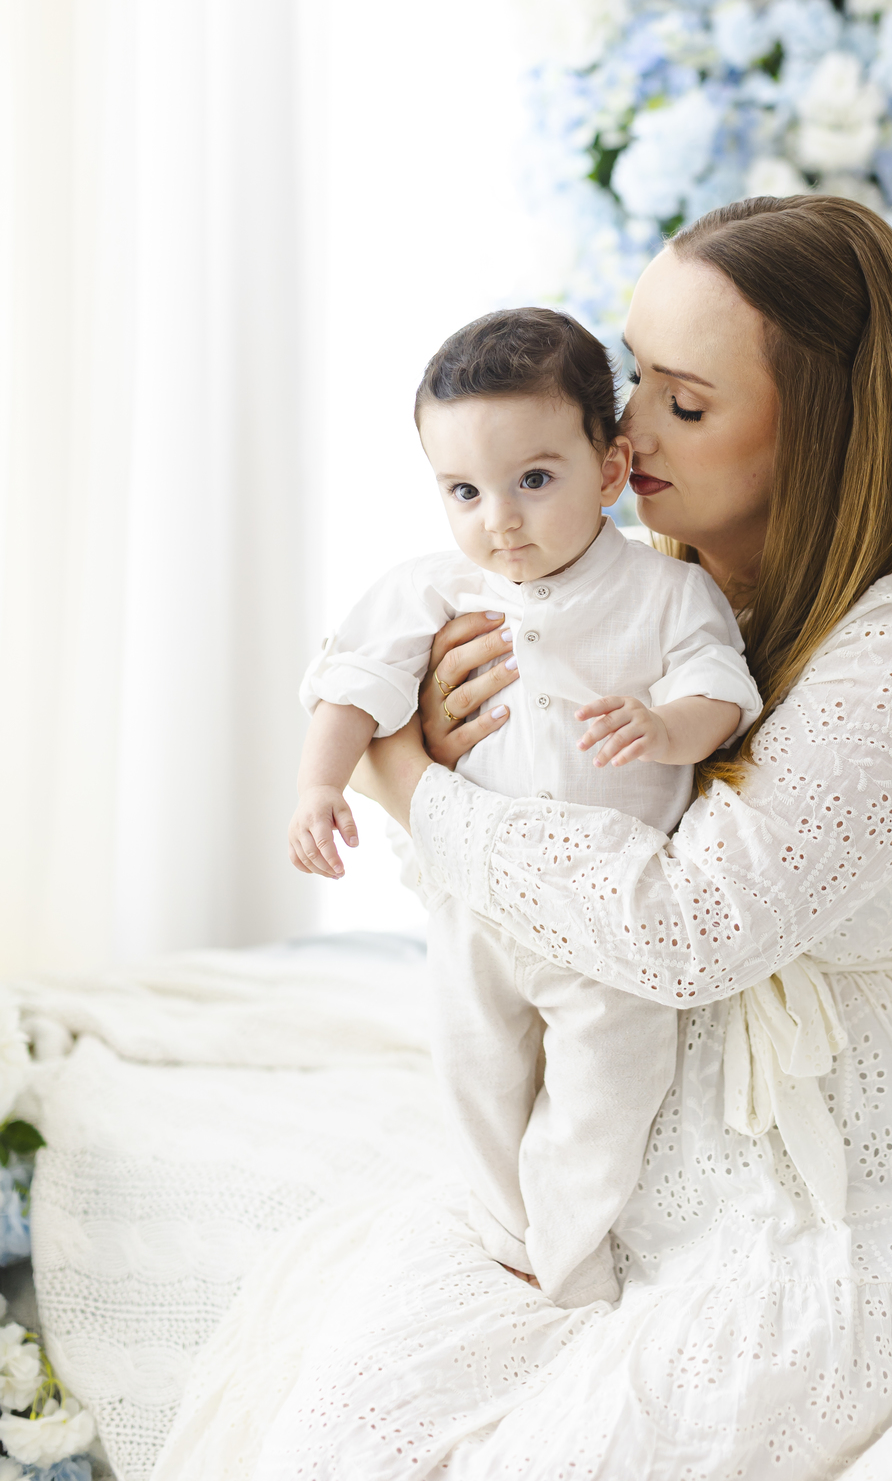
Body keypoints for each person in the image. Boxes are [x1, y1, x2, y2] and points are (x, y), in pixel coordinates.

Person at [260, 195, 892, 1479]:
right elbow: (504, 888)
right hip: (588, 1156)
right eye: (634, 373)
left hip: (825, 1186)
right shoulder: (613, 583)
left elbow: (688, 930)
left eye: (685, 404)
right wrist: (419, 755)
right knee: (353, 1419)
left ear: (821, 424)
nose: (629, 430)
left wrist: (413, 782)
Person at [289, 307, 761, 1307]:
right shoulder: (437, 589)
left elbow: (720, 690)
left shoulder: (666, 593)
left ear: (610, 466)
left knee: (607, 1090)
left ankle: (571, 1253)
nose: (498, 519)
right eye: (464, 491)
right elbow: (351, 687)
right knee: (477, 1069)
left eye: (532, 481)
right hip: (476, 904)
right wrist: (319, 786)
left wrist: (666, 728)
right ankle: (506, 1232)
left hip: (610, 918)